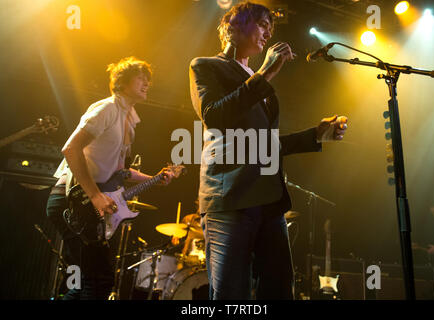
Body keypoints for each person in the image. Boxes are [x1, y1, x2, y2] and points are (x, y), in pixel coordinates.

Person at [189, 2, 348, 300]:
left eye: (270, 28)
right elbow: (214, 116)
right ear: (234, 26)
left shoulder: (259, 82)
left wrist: (314, 135)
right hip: (229, 199)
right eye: (262, 24)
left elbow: (265, 146)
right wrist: (265, 72)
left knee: (278, 290)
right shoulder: (206, 66)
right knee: (229, 295)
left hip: (269, 202)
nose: (268, 33)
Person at [46, 56, 174, 300]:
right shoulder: (106, 108)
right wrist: (95, 196)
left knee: (93, 283)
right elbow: (71, 149)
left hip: (84, 203)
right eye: (141, 78)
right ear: (122, 81)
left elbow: (119, 172)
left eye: (149, 79)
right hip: (71, 200)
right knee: (96, 282)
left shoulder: (129, 120)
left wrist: (155, 177)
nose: (147, 83)